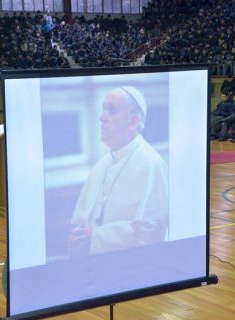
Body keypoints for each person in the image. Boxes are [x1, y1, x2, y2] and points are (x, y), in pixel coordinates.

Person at [69, 86, 168, 256]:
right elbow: (80, 221)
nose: (102, 117)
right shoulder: (102, 165)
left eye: (112, 110)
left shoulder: (151, 163)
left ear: (133, 121)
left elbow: (152, 229)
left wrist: (96, 237)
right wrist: (78, 238)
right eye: (103, 109)